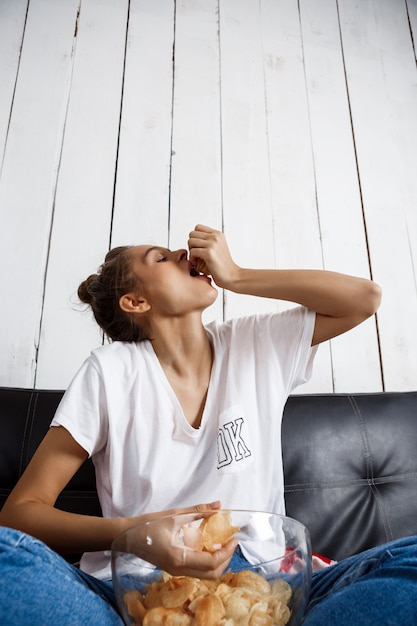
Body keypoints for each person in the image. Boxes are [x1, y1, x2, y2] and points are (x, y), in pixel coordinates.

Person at [0, 224, 415, 625]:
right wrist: (138, 535)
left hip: (265, 586)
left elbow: (364, 298)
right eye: (160, 258)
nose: (183, 253)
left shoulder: (256, 343)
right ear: (136, 302)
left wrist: (237, 275)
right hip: (138, 593)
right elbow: (18, 515)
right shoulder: (109, 373)